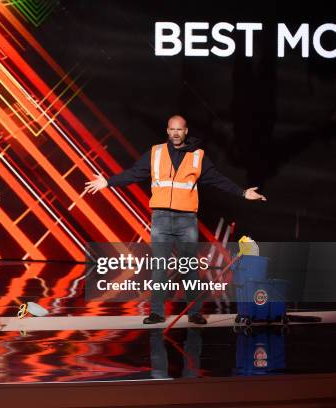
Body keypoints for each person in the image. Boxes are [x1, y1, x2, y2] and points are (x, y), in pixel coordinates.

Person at [85, 115, 266, 324]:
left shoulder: (197, 156)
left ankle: (194, 312)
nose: (175, 133)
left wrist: (242, 193)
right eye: (172, 129)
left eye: (179, 129)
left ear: (185, 131)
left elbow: (217, 179)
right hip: (161, 218)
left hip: (186, 219)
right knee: (160, 266)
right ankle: (156, 312)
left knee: (189, 266)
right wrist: (108, 182)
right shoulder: (156, 152)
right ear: (167, 131)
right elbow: (134, 173)